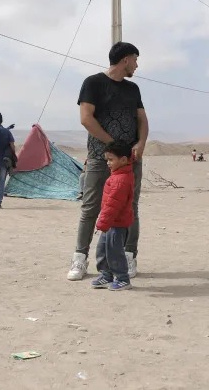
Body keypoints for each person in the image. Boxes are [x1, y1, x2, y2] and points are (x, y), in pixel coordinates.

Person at [67, 41, 148, 281]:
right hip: (99, 157)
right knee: (91, 207)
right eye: (135, 59)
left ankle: (129, 256)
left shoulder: (133, 89)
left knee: (129, 207)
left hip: (131, 159)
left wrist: (141, 143)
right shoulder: (93, 83)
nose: (136, 64)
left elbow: (142, 119)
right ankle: (80, 259)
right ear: (125, 60)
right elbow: (86, 118)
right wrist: (112, 144)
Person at [91, 140, 136, 291]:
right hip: (110, 222)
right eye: (107, 160)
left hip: (116, 224)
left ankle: (123, 278)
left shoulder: (121, 180)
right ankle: (106, 275)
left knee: (114, 251)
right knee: (103, 249)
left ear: (123, 160)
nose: (108, 163)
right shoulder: (117, 176)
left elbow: (113, 205)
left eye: (111, 160)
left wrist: (102, 223)